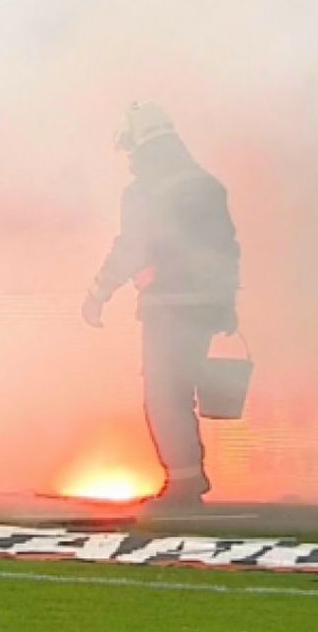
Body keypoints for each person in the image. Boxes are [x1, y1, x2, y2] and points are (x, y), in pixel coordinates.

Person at [81, 102, 240, 506]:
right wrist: (225, 304)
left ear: (138, 141)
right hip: (205, 305)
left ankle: (184, 483)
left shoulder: (145, 190)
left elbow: (131, 247)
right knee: (180, 389)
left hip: (168, 305)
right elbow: (227, 249)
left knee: (165, 394)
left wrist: (99, 292)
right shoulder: (206, 184)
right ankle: (189, 476)